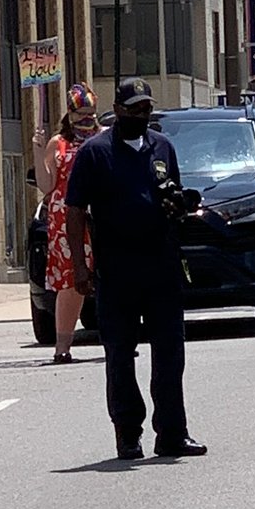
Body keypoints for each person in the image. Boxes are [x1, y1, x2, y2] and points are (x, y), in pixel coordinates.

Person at [65, 77, 207, 460]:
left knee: (170, 352)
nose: (143, 115)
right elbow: (75, 211)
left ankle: (173, 433)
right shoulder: (95, 152)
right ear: (120, 110)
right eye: (136, 109)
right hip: (116, 267)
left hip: (160, 264)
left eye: (147, 108)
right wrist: (80, 266)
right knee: (120, 353)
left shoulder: (162, 147)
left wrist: (179, 208)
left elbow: (172, 192)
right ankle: (128, 432)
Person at [32, 84, 100, 363]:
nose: (87, 119)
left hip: (99, 216)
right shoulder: (58, 143)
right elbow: (47, 185)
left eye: (91, 113)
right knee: (70, 284)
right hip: (64, 221)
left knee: (110, 278)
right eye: (81, 113)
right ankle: (63, 346)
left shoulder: (105, 138)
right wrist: (38, 152)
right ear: (70, 114)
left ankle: (119, 338)